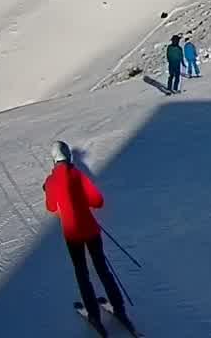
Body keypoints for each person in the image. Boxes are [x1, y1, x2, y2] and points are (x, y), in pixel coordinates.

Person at [44, 140, 128, 335]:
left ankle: (94, 316)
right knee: (103, 269)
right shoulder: (78, 176)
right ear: (69, 157)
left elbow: (51, 207)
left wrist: (50, 190)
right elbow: (98, 201)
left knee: (82, 274)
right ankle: (119, 308)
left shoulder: (51, 181)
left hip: (73, 235)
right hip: (91, 230)